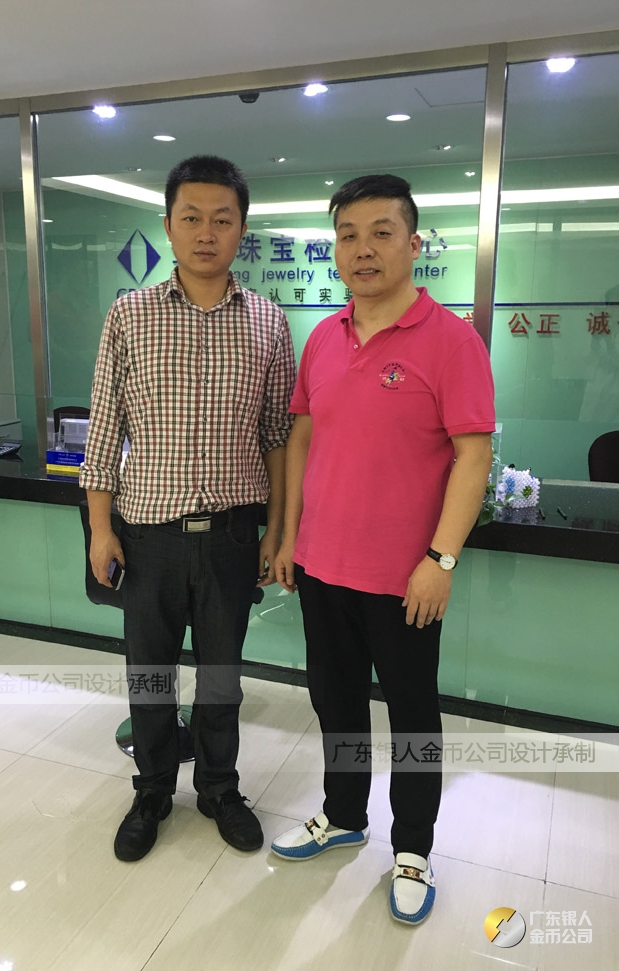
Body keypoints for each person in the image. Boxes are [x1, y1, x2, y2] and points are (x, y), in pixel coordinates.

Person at [271, 174, 495, 924]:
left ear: (413, 243)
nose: (362, 249)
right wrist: (291, 536)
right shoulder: (323, 338)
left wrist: (442, 559)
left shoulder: (452, 341)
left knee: (413, 716)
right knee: (334, 701)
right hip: (322, 566)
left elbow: (473, 457)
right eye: (348, 235)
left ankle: (414, 849)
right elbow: (303, 437)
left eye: (381, 232)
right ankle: (343, 814)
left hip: (405, 579)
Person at [80, 155, 296, 862]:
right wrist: (101, 529)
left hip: (232, 534)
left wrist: (276, 531)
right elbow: (104, 432)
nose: (207, 233)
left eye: (222, 220)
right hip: (148, 535)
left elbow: (277, 437)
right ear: (169, 225)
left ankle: (219, 788)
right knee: (149, 675)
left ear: (241, 229)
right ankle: (151, 792)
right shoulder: (129, 315)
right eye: (192, 218)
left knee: (223, 676)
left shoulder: (268, 322)